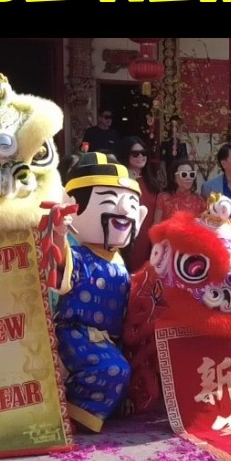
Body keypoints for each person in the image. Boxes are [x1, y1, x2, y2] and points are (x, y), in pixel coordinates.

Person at [55, 152, 148, 432]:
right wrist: (58, 235)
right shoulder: (76, 253)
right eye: (109, 200)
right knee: (112, 370)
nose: (124, 211)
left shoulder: (119, 259)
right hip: (76, 334)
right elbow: (58, 269)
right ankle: (71, 409)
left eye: (132, 203)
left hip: (112, 338)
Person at [119, 135, 159, 271]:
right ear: (126, 156)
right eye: (135, 154)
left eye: (144, 153)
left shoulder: (152, 182)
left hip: (149, 236)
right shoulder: (121, 181)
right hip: (127, 234)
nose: (141, 156)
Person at [154, 160, 205, 224]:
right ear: (174, 178)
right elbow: (156, 226)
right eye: (184, 174)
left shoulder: (199, 200)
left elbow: (204, 226)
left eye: (191, 174)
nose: (188, 178)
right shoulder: (163, 198)